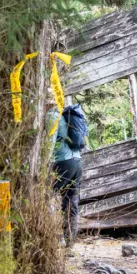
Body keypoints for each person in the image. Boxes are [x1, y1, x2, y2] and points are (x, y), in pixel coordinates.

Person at [49, 103, 86, 247]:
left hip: (63, 161)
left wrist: (43, 162)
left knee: (47, 196)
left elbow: (50, 141)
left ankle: (55, 237)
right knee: (71, 201)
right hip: (77, 162)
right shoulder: (68, 116)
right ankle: (70, 243)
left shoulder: (52, 115)